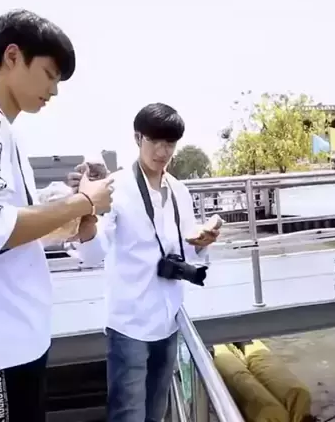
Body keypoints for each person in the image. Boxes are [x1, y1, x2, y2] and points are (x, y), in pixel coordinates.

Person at [0, 9, 114, 422]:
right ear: (12, 56)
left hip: (10, 340)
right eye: (49, 74)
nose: (54, 91)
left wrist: (68, 203)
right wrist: (83, 203)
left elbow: (2, 223)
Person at [67, 103, 220, 422]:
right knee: (128, 414)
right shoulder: (114, 189)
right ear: (138, 138)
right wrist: (85, 213)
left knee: (156, 413)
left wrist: (202, 242)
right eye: (155, 141)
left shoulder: (180, 192)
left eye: (170, 143)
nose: (163, 151)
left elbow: (188, 252)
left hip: (168, 320)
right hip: (130, 325)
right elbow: (93, 255)